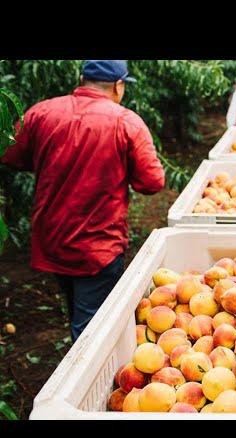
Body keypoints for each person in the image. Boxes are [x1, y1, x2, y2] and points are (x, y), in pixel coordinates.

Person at [1, 60, 165, 341]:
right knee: (92, 326)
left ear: (82, 78)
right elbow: (152, 182)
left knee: (78, 305)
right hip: (98, 245)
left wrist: (54, 161)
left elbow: (10, 153)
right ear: (118, 85)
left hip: (52, 238)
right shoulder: (125, 122)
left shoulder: (42, 112)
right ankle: (84, 376)